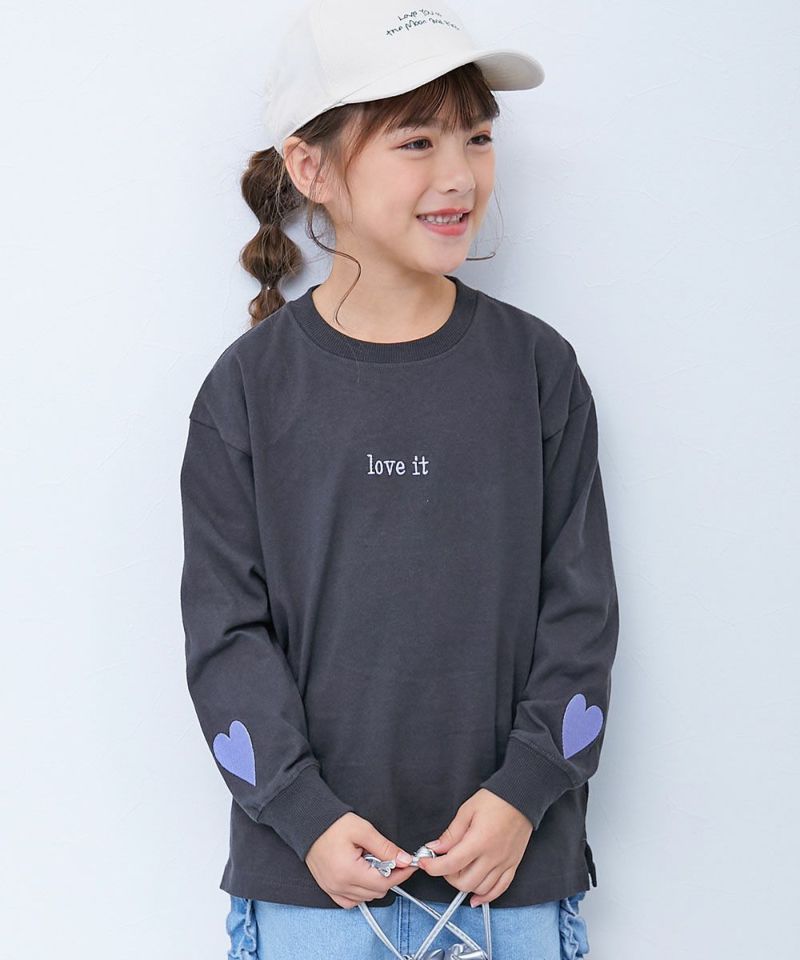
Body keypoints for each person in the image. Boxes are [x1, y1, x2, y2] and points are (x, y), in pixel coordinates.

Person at [178, 1, 619, 957]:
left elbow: (580, 610)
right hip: (310, 894)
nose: (460, 175)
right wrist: (301, 813)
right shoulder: (247, 391)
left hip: (511, 886)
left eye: (478, 137)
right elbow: (223, 631)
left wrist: (525, 793)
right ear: (311, 168)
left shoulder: (536, 370)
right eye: (417, 141)